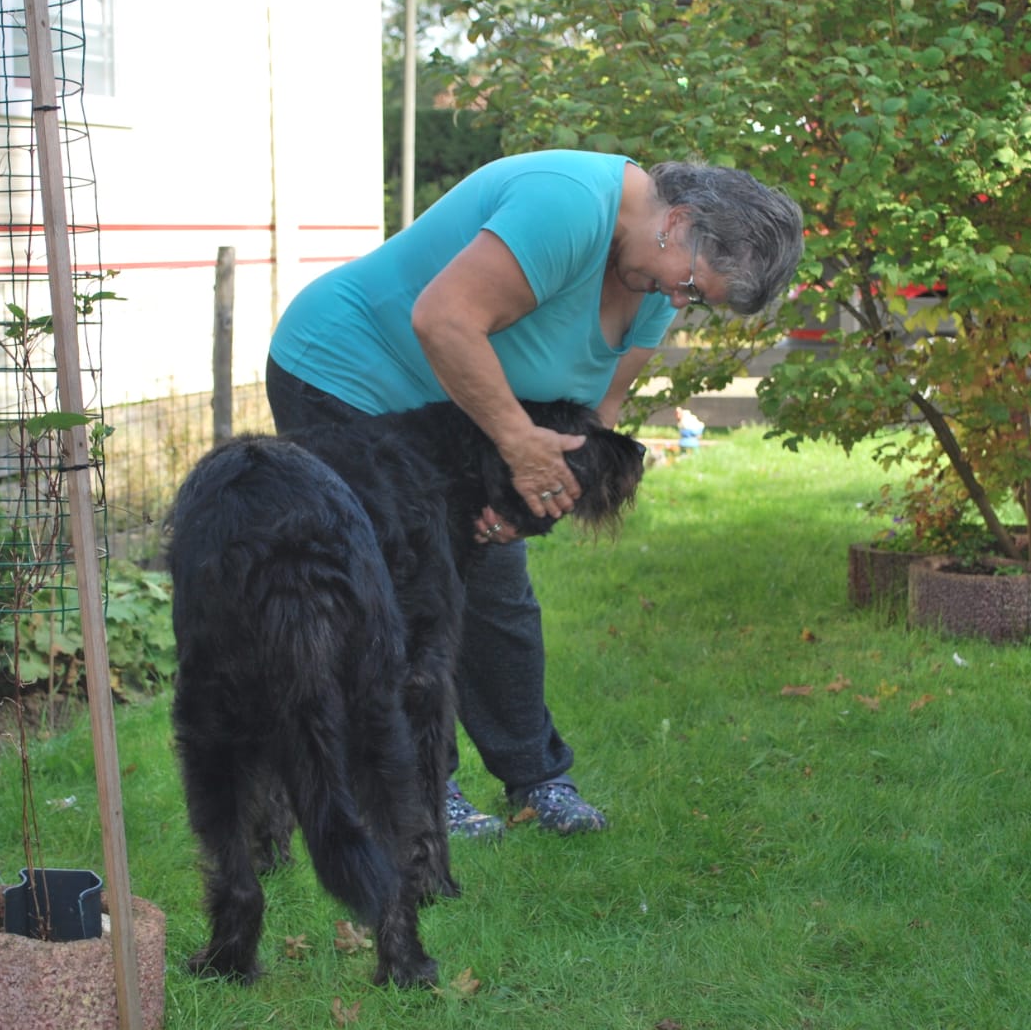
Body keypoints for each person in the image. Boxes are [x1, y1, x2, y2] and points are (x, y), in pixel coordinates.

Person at [266, 149, 804, 836]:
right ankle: (418, 786)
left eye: (697, 301)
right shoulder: (568, 204)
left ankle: (538, 778)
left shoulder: (651, 285)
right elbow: (443, 320)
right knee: (401, 586)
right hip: (351, 375)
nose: (679, 301)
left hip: (459, 412)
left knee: (498, 589)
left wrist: (531, 503)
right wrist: (518, 446)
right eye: (693, 286)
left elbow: (593, 416)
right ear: (679, 221)